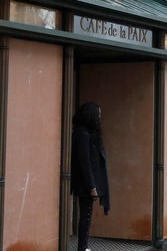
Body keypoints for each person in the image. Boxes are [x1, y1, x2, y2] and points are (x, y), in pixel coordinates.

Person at [71, 102, 110, 251]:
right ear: (90, 116)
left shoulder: (87, 134)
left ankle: (83, 246)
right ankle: (82, 247)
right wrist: (92, 186)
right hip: (85, 184)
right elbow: (85, 164)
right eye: (98, 114)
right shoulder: (83, 135)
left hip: (87, 183)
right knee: (85, 217)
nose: (99, 118)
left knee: (86, 216)